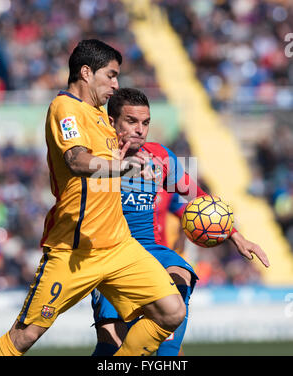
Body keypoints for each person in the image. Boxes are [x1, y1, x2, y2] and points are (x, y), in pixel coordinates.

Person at [0, 39, 186, 357]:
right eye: (110, 75)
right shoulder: (65, 109)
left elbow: (106, 171)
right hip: (75, 250)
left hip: (119, 246)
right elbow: (78, 161)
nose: (116, 84)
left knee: (171, 312)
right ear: (86, 72)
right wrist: (123, 167)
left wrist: (127, 159)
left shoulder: (99, 116)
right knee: (24, 336)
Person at [91, 88, 270, 356]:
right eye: (131, 121)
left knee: (181, 273)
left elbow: (196, 196)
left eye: (146, 123)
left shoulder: (160, 157)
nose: (140, 130)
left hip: (148, 248)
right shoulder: (95, 159)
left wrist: (236, 236)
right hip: (107, 252)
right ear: (112, 121)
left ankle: (168, 355)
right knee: (111, 341)